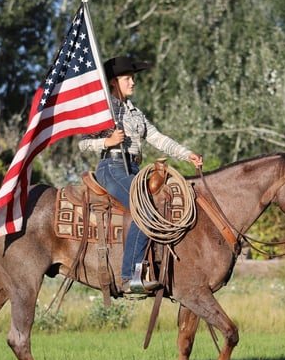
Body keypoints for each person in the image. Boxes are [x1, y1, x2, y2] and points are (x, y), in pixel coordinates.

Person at [79, 56, 203, 294]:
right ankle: (130, 277)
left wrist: (187, 154)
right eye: (128, 79)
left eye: (133, 78)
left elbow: (157, 138)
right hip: (111, 169)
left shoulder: (135, 113)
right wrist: (108, 141)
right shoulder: (102, 111)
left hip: (134, 170)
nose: (133, 82)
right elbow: (83, 144)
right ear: (114, 82)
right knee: (143, 209)